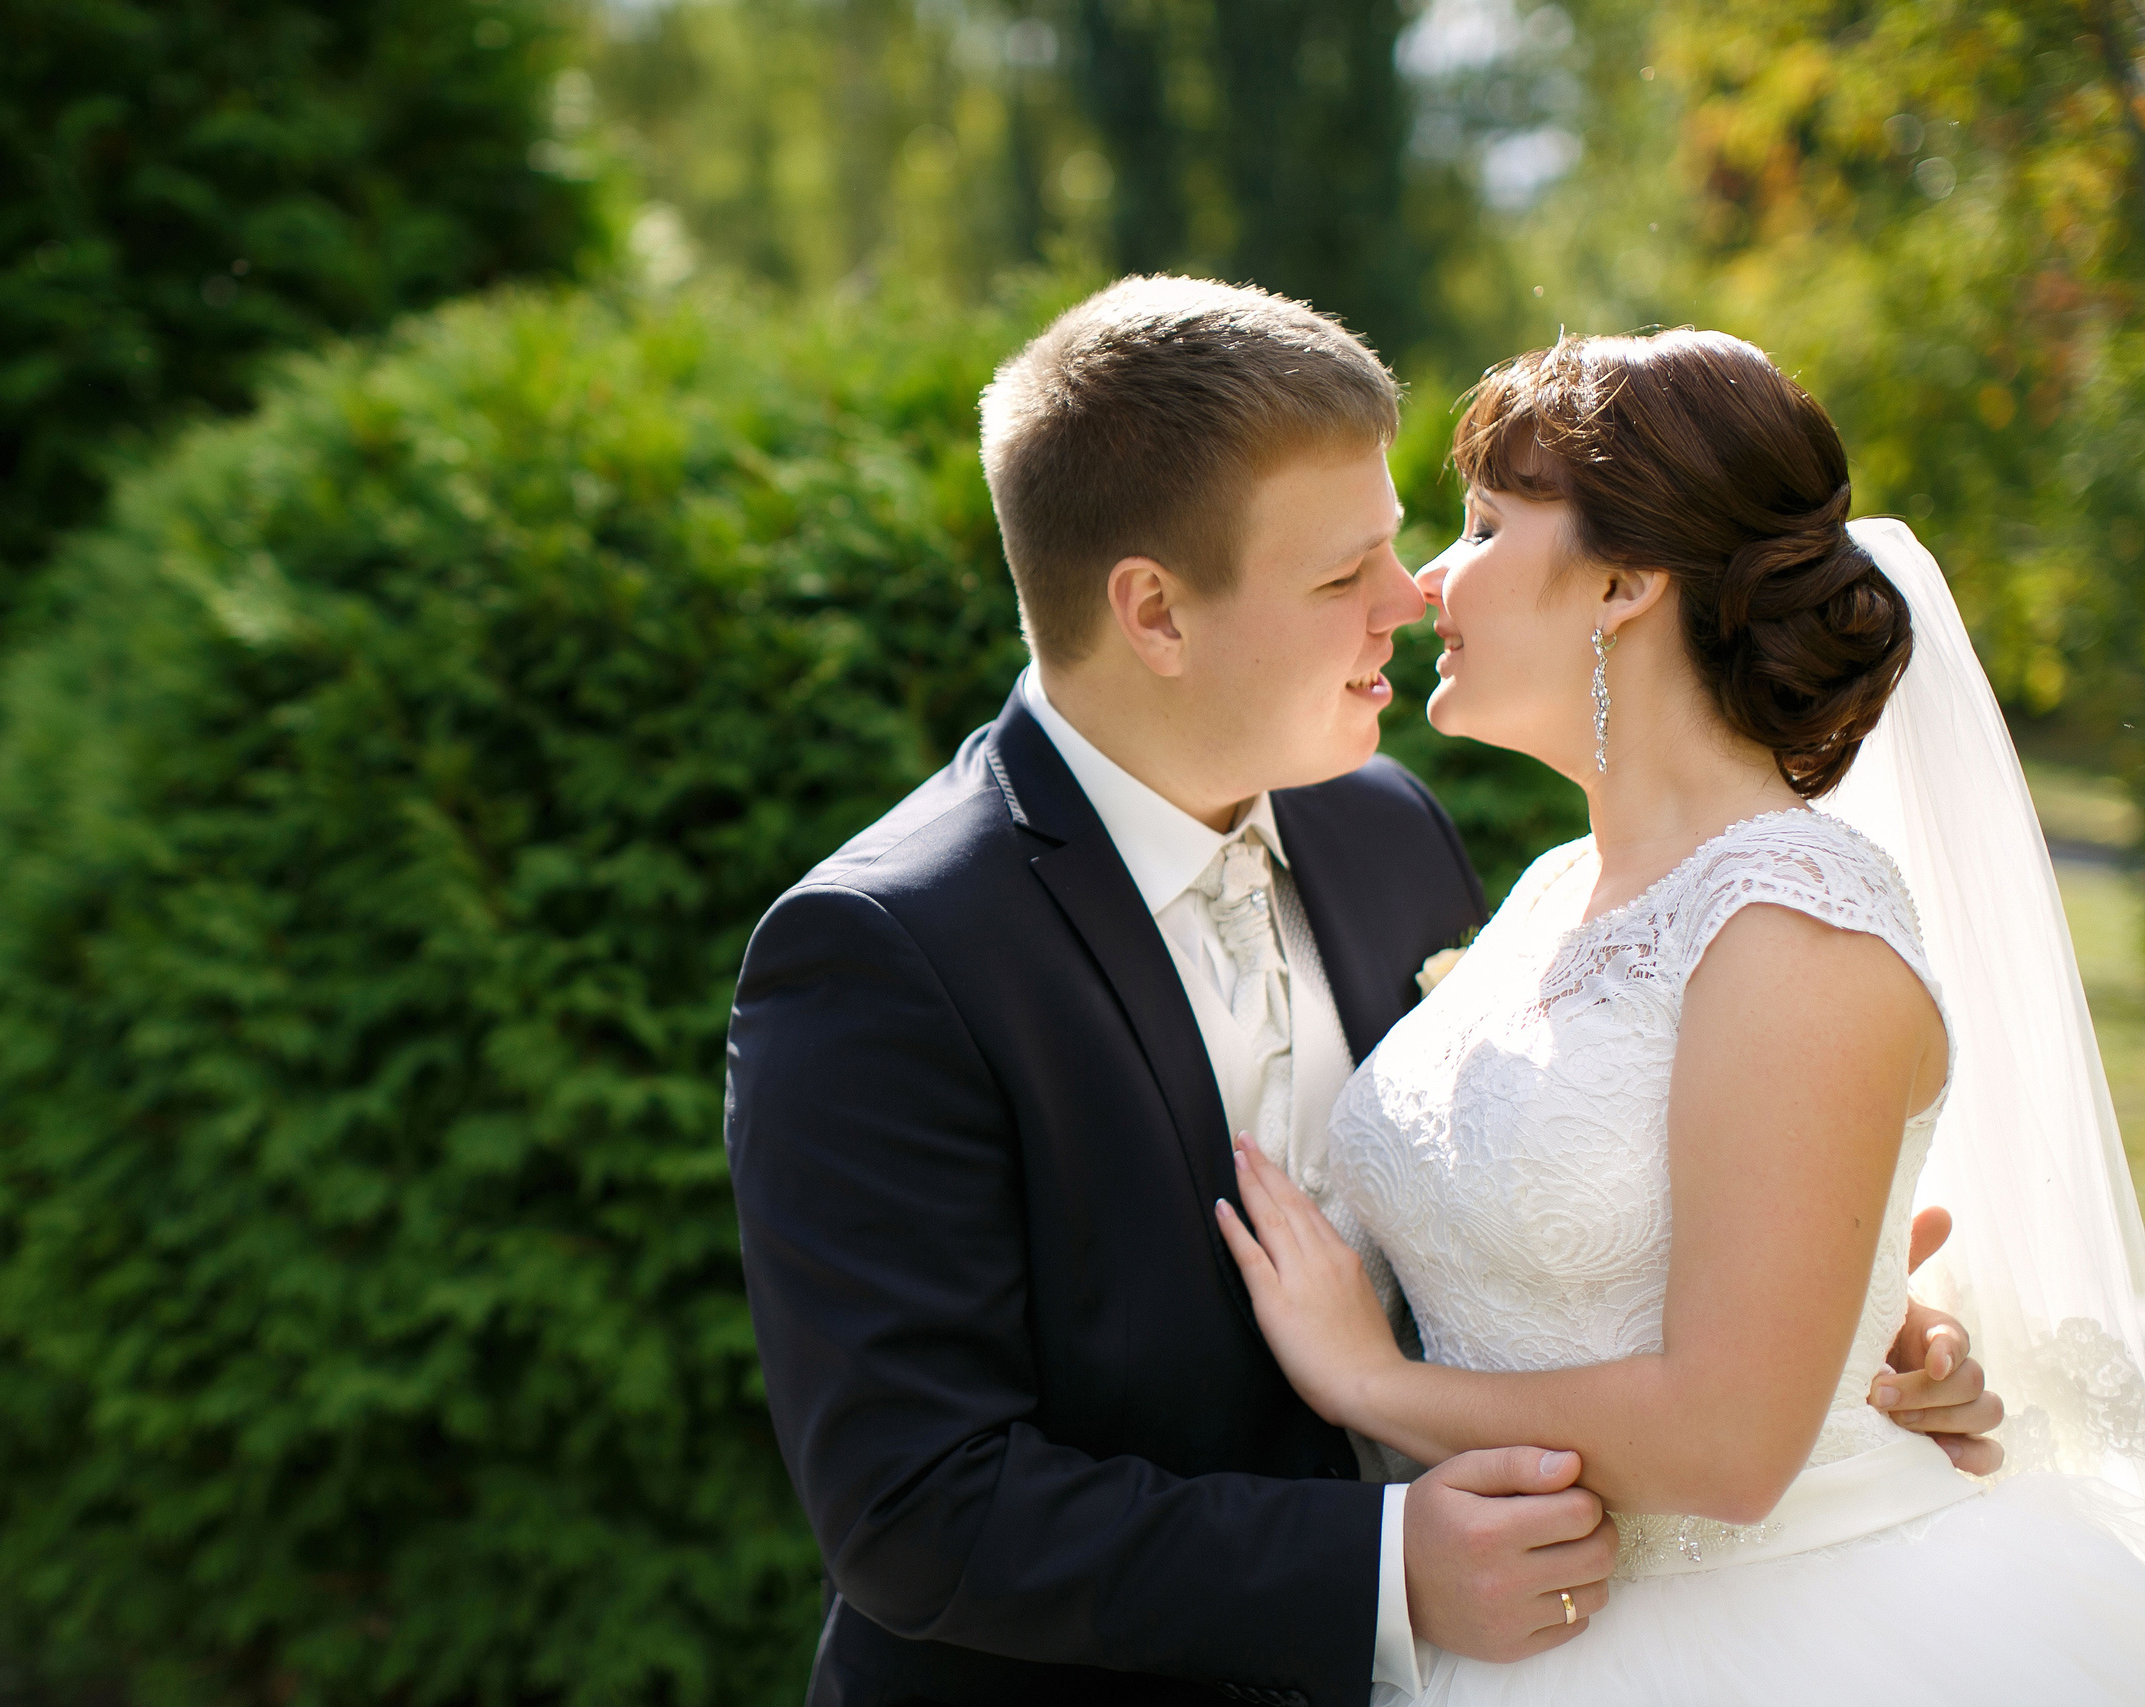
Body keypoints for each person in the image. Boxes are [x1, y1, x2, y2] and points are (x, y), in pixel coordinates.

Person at [723, 279, 1998, 1707]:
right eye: (1346, 577)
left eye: (1422, 541)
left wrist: (1852, 1316)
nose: (1417, 593)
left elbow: (1566, 1206)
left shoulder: (1386, 832)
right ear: (1154, 612)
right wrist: (1378, 1569)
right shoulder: (883, 952)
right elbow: (915, 1507)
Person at [1219, 328, 2145, 1703]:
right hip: (1508, 1629)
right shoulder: (1553, 891)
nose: (1426, 585)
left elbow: (1727, 1442)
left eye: (1481, 525)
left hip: (1780, 1637)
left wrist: (1374, 1384)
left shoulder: (1796, 929)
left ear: (1629, 579)